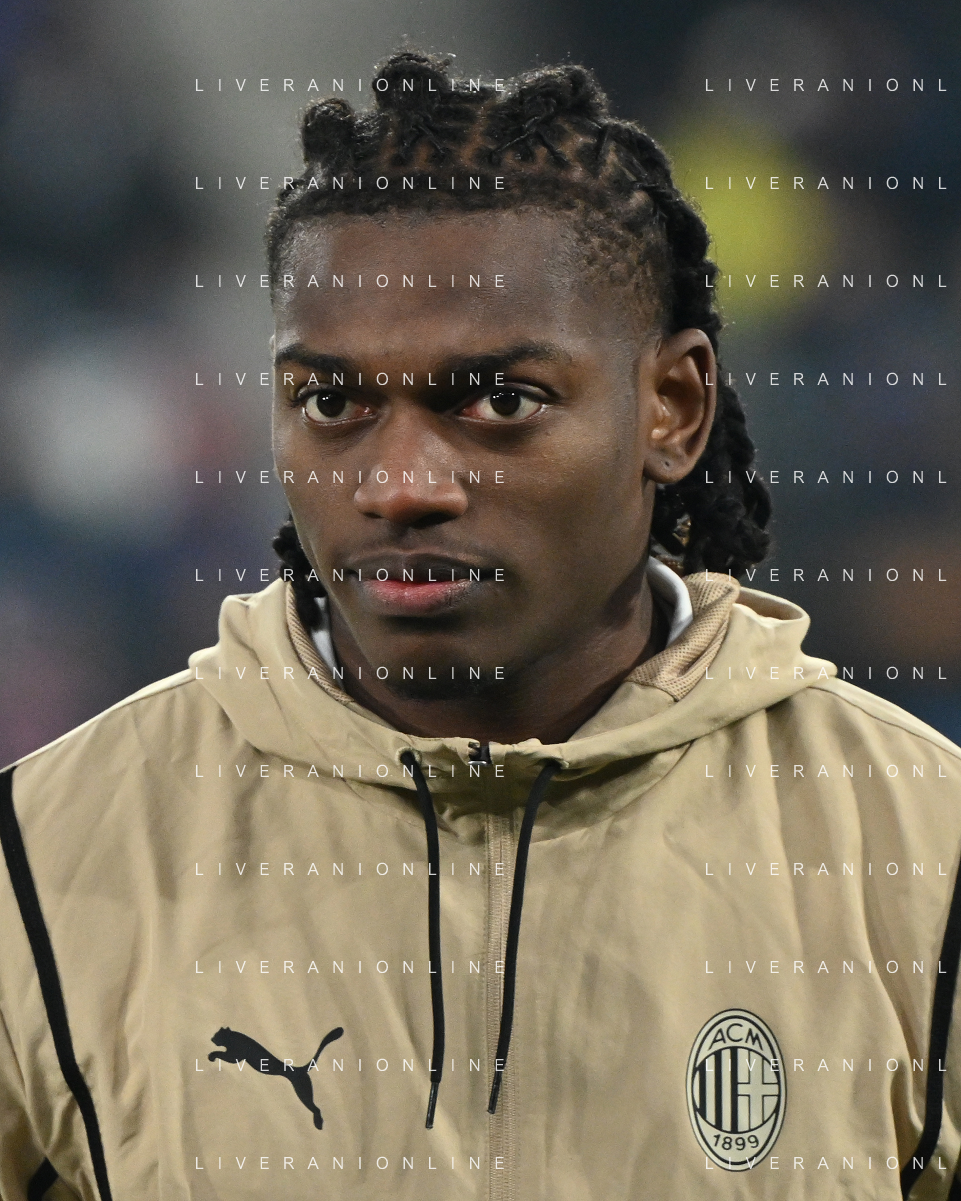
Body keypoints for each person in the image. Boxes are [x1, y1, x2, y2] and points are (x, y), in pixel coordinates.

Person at [1, 51, 959, 1201]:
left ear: (673, 407)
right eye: (331, 401)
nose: (399, 482)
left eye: (500, 401)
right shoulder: (43, 856)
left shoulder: (922, 850)